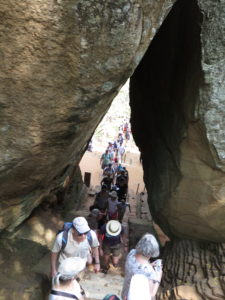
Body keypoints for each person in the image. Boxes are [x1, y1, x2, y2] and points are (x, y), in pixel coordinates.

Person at [121, 233, 163, 300]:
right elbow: (151, 294)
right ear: (152, 252)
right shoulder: (149, 272)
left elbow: (138, 267)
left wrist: (149, 265)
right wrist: (158, 278)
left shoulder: (131, 253)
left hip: (126, 292)